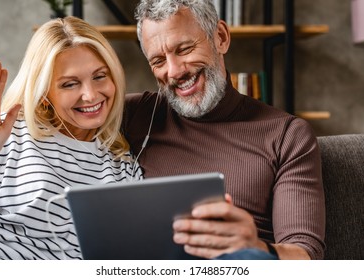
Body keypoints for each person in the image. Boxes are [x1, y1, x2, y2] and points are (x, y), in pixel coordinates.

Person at [123, 0, 325, 260]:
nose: (174, 72)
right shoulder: (134, 115)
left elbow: (306, 255)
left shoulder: (287, 135)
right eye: (159, 60)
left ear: (220, 37)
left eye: (184, 49)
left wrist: (256, 245)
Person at [0, 16, 142, 260]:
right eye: (70, 84)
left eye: (99, 76)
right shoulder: (7, 133)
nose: (90, 95)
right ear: (44, 92)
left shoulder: (123, 167)